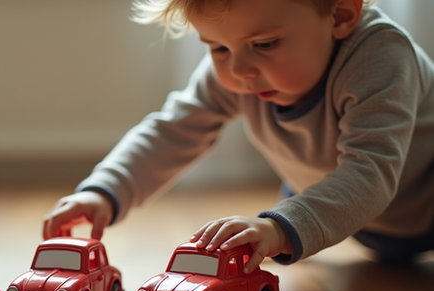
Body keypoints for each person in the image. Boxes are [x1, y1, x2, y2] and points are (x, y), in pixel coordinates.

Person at [42, 0, 434, 271]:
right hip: (352, 218)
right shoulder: (236, 69)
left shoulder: (381, 56)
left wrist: (281, 227)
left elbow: (371, 172)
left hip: (421, 209)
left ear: (341, 15)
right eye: (217, 47)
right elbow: (174, 129)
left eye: (264, 44)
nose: (239, 69)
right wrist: (104, 190)